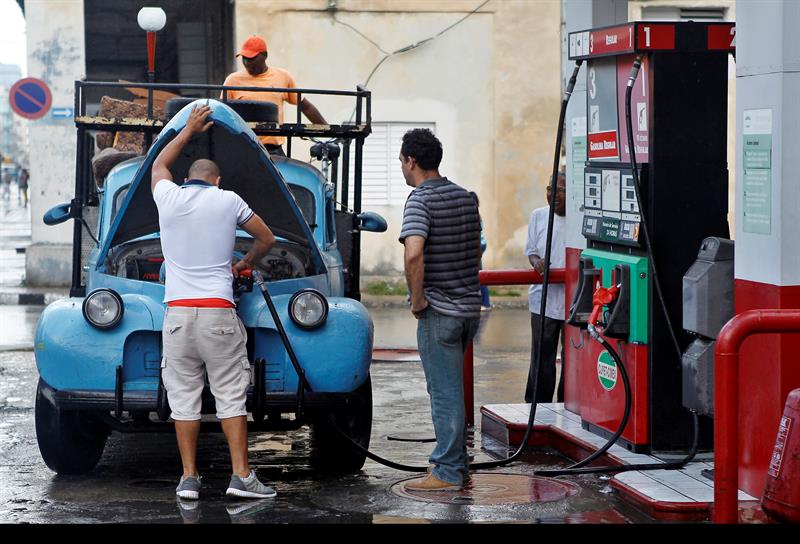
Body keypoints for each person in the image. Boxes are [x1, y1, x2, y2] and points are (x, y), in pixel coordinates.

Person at [151, 104, 278, 501]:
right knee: (229, 394)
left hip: (177, 316)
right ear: (217, 180)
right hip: (218, 313)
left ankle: (189, 478)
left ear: (187, 179)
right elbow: (268, 238)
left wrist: (187, 131)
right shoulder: (228, 200)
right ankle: (241, 476)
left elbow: (158, 164)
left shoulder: (167, 197)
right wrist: (244, 263)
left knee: (183, 400)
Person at [398, 128, 482, 491]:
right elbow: (474, 249)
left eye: (401, 161)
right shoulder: (465, 197)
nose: (402, 168)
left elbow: (414, 252)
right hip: (468, 310)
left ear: (411, 161)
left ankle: (447, 472)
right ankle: (456, 464)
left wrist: (417, 300)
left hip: (440, 311)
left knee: (444, 393)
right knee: (454, 391)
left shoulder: (420, 200)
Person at [221, 35, 327, 156]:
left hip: (273, 150)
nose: (247, 62)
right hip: (243, 147)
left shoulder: (282, 77)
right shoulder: (232, 81)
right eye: (244, 58)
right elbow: (222, 112)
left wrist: (328, 129)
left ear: (264, 56)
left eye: (251, 58)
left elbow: (305, 106)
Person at [524, 170, 566, 404]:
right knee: (542, 359)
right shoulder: (538, 216)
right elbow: (531, 251)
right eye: (550, 189)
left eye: (559, 190)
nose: (553, 194)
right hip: (543, 300)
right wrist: (536, 262)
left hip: (572, 301)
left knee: (571, 359)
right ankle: (536, 408)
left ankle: (567, 406)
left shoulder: (578, 219)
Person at [469, 191, 491, 311]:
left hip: (478, 246)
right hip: (480, 245)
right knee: (479, 274)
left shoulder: (474, 215)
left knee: (479, 274)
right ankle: (483, 302)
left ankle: (485, 302)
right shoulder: (476, 214)